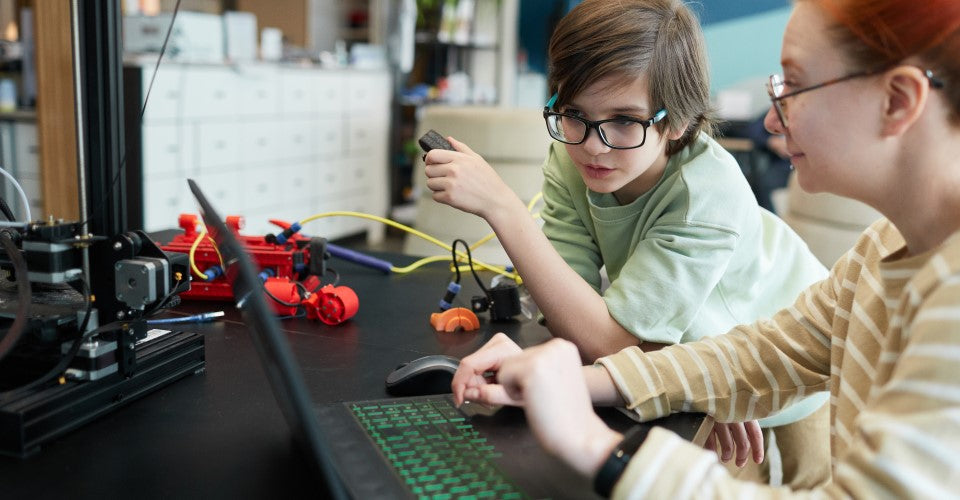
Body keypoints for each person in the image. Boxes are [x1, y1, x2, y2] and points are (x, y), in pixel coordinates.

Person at [450, 0, 960, 496]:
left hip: (788, 418)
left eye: (796, 86)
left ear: (897, 100)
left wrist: (591, 442)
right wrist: (576, 382)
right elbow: (753, 356)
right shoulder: (877, 253)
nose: (771, 122)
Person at [422, 0, 830, 486]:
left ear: (677, 120)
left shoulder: (704, 193)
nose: (594, 146)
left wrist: (503, 207)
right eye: (573, 114)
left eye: (624, 120)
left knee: (797, 482)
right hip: (688, 362)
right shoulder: (570, 157)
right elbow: (568, 307)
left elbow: (612, 343)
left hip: (785, 355)